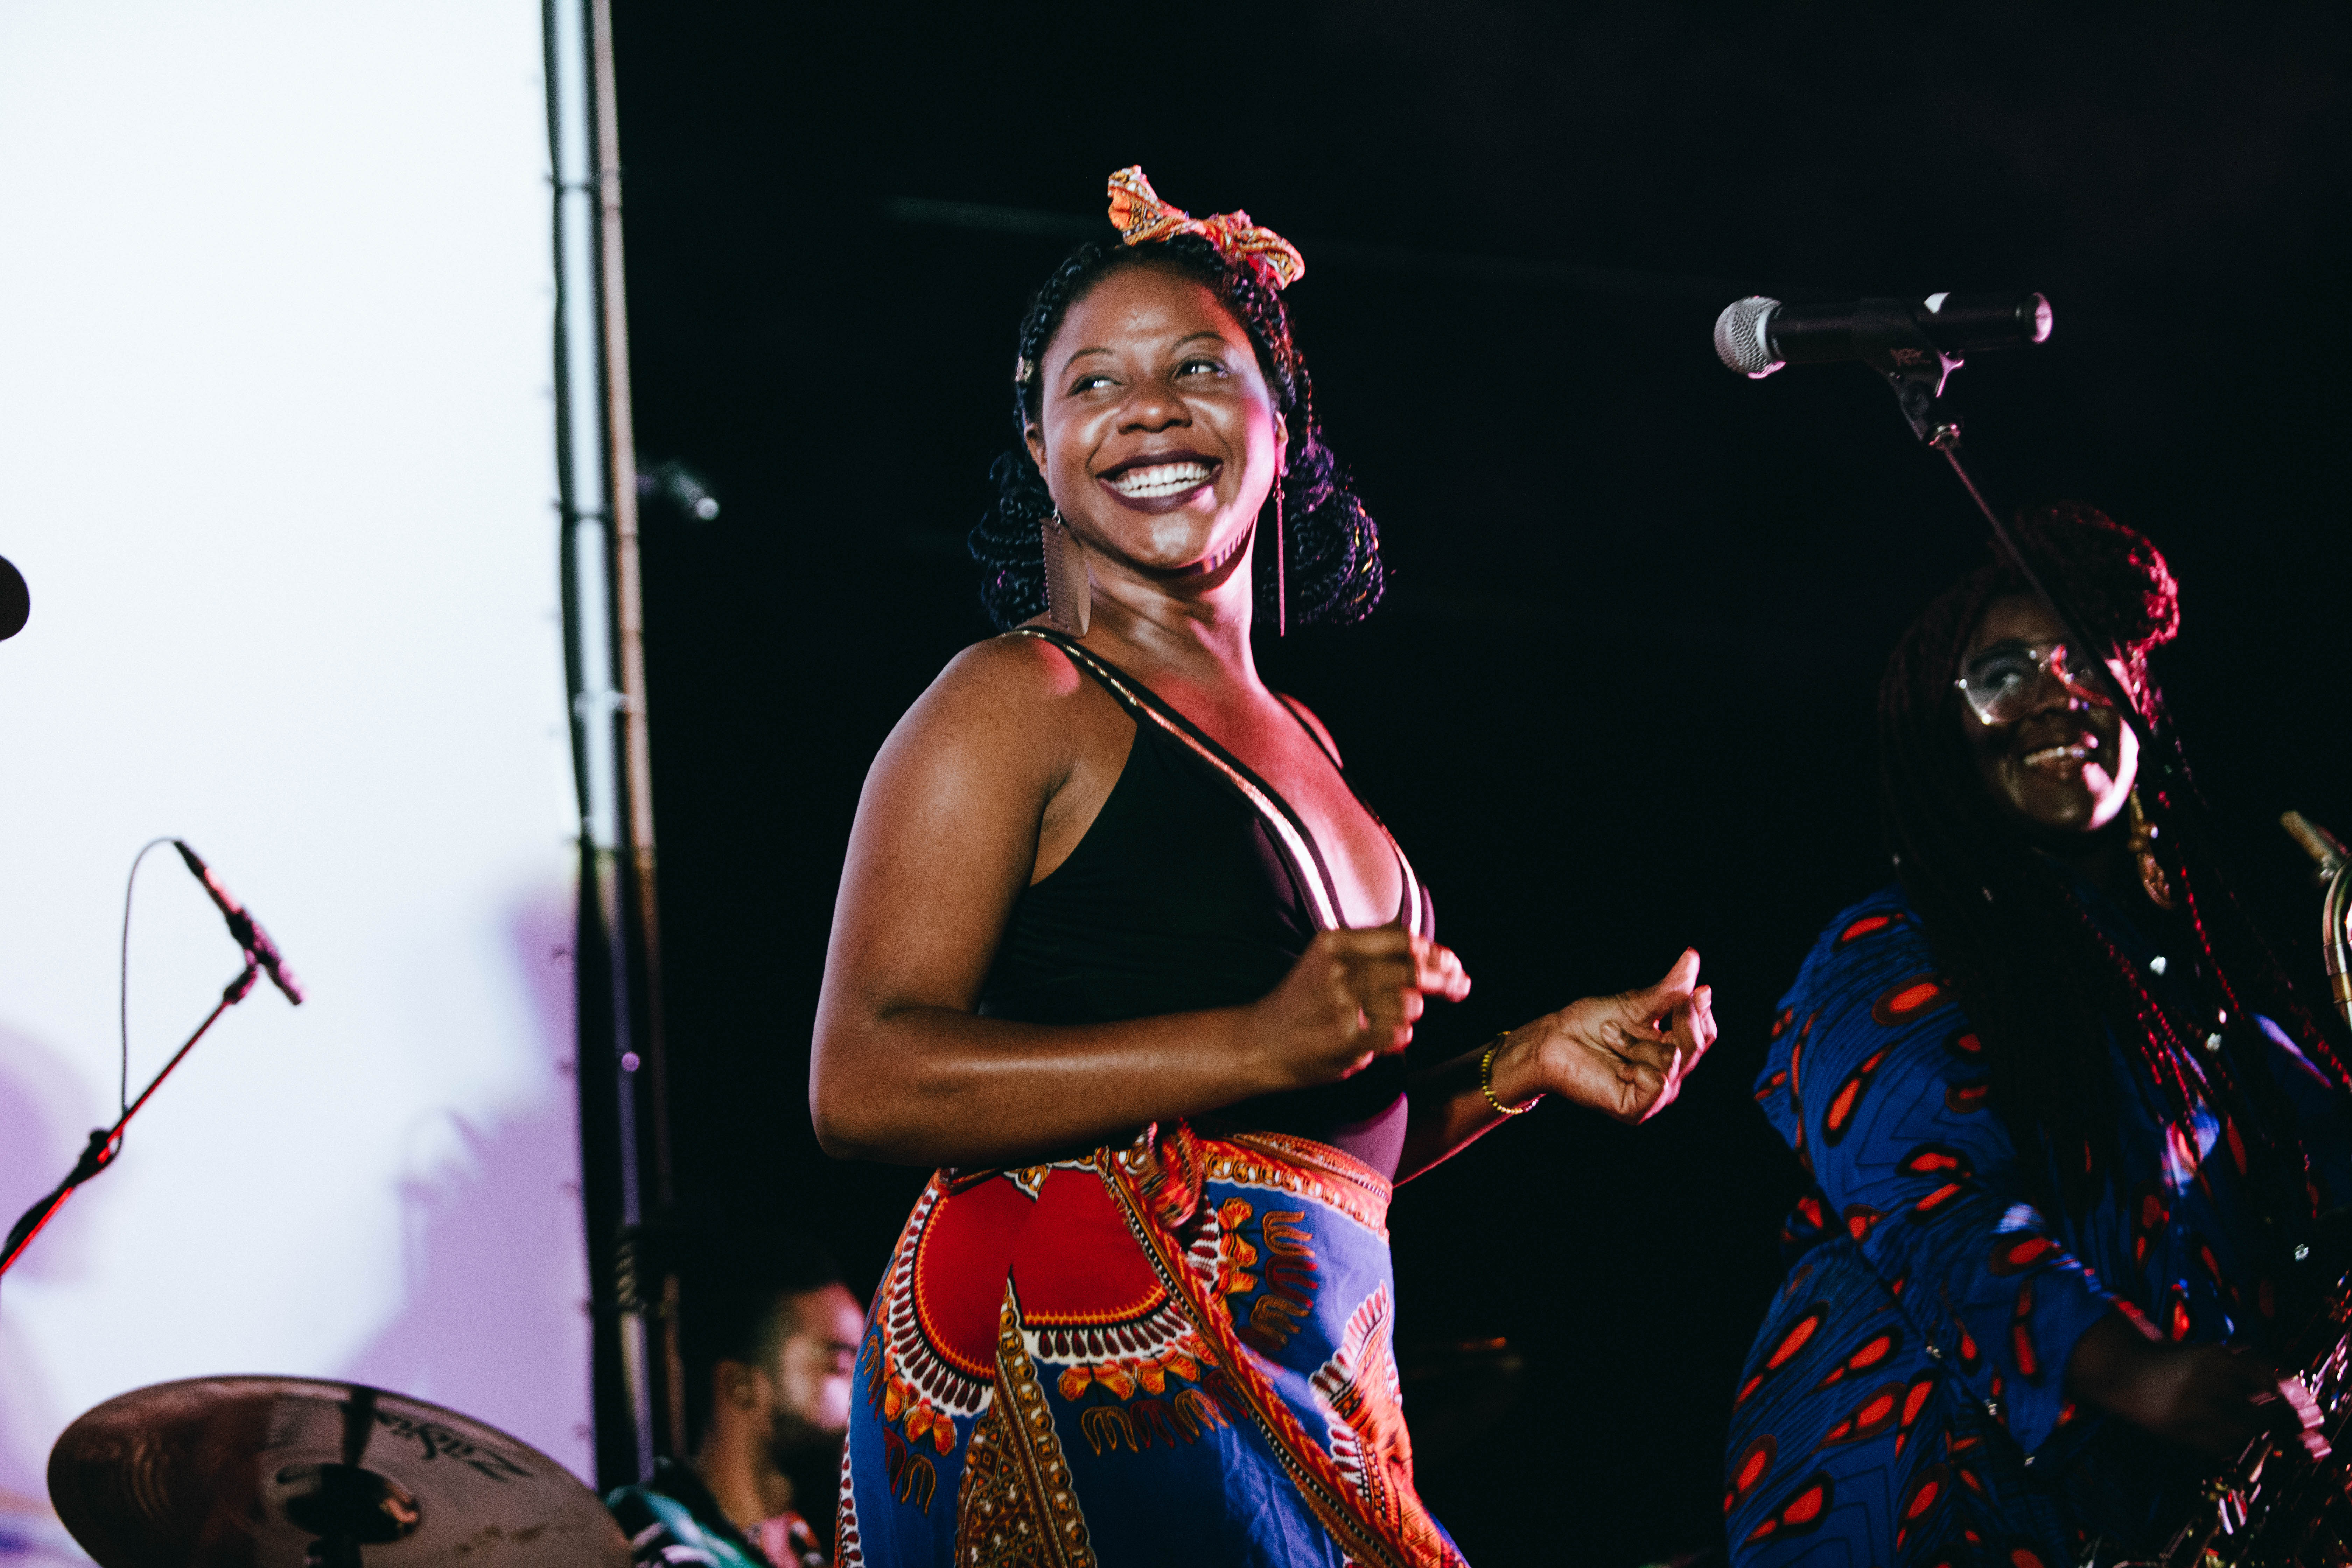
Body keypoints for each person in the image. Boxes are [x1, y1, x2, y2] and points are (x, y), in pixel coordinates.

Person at [808, 166, 1717, 1567]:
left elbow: (1295, 1141)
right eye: (1093, 384)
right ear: (1040, 448)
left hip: (1283, 1381)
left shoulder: (1311, 740)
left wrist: (1521, 1064)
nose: (1147, 408)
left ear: (1280, 428)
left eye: (1196, 368)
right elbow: (863, 1081)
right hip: (1085, 1371)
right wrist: (1255, 1035)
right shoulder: (1017, 699)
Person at [1722, 504, 2352, 1566]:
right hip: (1921, 1495)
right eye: (2003, 673)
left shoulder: (2196, 1010)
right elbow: (1930, 1208)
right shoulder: (1892, 945)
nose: (2057, 693)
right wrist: (2138, 1370)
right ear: (1942, 728)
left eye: (2085, 662)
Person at [608, 1226, 866, 1568]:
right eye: (842, 1366)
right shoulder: (641, 1533)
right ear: (740, 1384)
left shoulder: (806, 1546)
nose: (867, 1399)